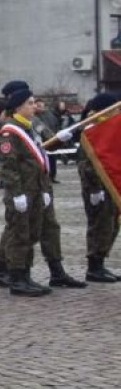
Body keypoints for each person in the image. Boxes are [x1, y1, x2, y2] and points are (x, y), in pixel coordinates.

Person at [0, 82, 60, 296]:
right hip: (21, 192)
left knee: (31, 234)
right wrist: (17, 194)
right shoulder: (10, 131)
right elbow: (9, 165)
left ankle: (26, 275)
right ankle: (16, 279)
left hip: (34, 190)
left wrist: (43, 190)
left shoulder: (28, 127)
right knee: (19, 235)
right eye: (30, 103)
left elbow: (37, 161)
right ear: (18, 107)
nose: (34, 107)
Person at [78, 92, 119, 283]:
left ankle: (100, 263)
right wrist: (95, 189)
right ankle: (94, 267)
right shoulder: (92, 131)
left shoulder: (107, 128)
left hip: (108, 185)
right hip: (96, 187)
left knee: (111, 224)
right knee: (99, 225)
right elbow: (86, 165)